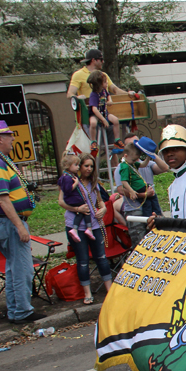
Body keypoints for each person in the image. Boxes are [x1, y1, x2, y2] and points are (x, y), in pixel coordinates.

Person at [0, 121, 44, 323]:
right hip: (9, 224)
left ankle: (16, 311)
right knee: (22, 269)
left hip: (3, 223)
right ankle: (22, 312)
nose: (13, 139)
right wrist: (19, 226)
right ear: (0, 139)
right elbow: (3, 198)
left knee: (13, 268)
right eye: (9, 136)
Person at [58, 153, 111, 305]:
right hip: (76, 224)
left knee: (101, 257)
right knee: (83, 260)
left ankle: (110, 289)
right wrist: (76, 209)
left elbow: (100, 202)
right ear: (79, 166)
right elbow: (61, 202)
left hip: (94, 224)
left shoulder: (94, 183)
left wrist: (103, 210)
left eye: (91, 166)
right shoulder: (70, 181)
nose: (88, 169)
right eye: (85, 166)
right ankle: (87, 293)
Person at [67, 49, 136, 101]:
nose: (103, 62)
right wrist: (78, 98)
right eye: (101, 59)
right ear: (93, 60)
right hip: (88, 113)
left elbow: (115, 90)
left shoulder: (103, 75)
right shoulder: (78, 75)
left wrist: (128, 94)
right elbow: (70, 94)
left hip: (104, 111)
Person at [58, 153, 94, 243]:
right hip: (73, 199)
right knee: (85, 210)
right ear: (68, 165)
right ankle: (87, 228)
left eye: (78, 165)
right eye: (76, 165)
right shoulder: (67, 177)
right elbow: (67, 190)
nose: (77, 167)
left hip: (74, 199)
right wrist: (76, 183)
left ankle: (77, 229)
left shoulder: (69, 175)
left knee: (81, 212)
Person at [87, 70, 123, 149]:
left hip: (104, 112)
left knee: (116, 120)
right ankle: (93, 141)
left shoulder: (103, 91)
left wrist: (109, 101)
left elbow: (108, 96)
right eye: (105, 82)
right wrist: (103, 120)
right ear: (99, 84)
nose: (107, 83)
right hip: (95, 114)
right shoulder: (94, 95)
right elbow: (94, 109)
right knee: (93, 123)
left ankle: (117, 139)